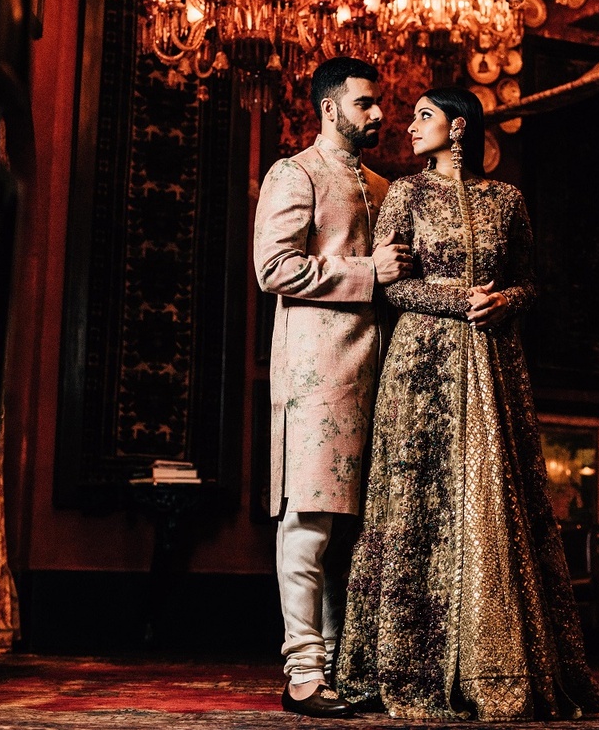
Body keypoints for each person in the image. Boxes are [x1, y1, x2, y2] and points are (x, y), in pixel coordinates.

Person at [337, 87, 599, 722]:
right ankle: (406, 665)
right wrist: (464, 300)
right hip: (420, 366)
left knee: (493, 495)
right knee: (416, 499)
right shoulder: (404, 194)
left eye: (424, 116)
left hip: (493, 365)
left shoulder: (505, 200)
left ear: (459, 127)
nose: (410, 126)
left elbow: (530, 282)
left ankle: (500, 663)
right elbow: (393, 284)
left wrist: (507, 301)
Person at [253, 56, 412, 719]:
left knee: (357, 534)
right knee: (309, 524)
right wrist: (368, 272)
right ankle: (302, 674)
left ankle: (343, 666)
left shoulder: (382, 183)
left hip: (380, 376)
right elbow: (273, 267)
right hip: (315, 376)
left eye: (380, 104)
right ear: (328, 108)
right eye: (366, 103)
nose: (379, 114)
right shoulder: (295, 173)